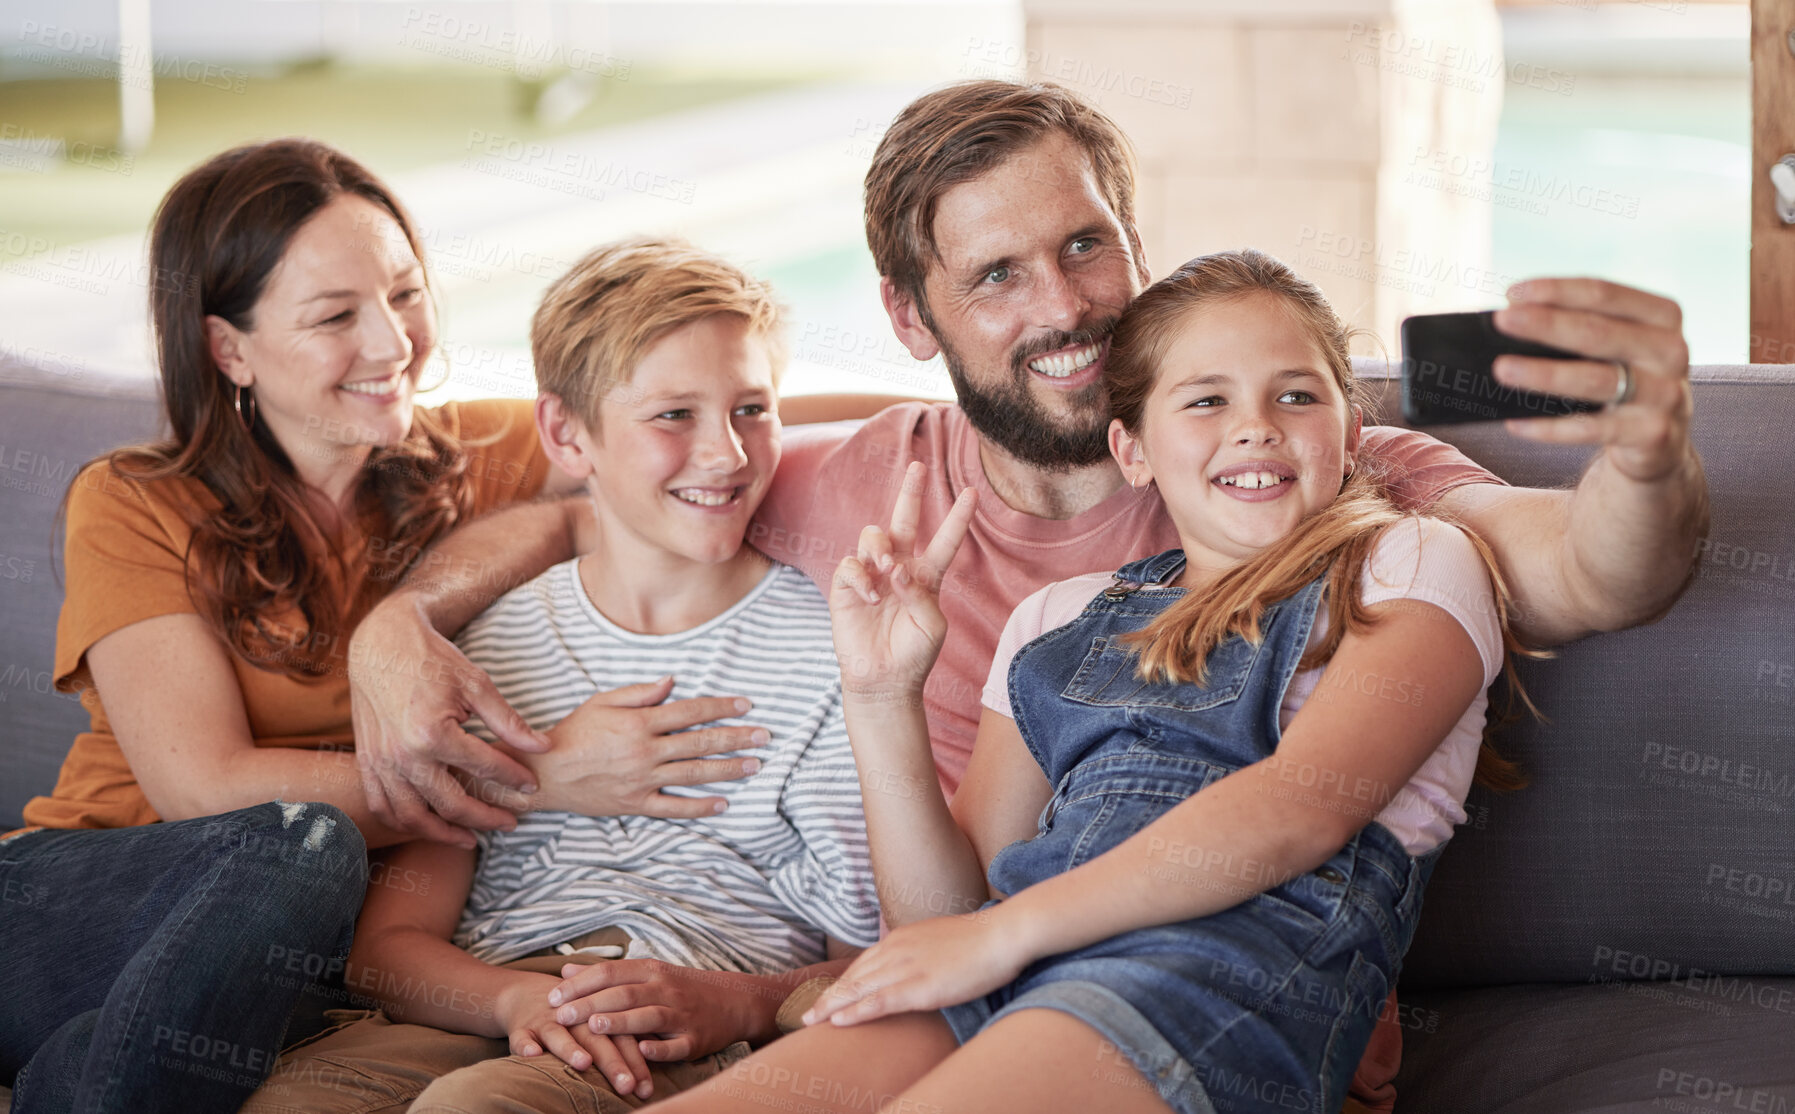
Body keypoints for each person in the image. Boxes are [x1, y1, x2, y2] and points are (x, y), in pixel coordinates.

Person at [346, 80, 1707, 1106]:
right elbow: (589, 493)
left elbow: (1595, 565)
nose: (1061, 306)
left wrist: (1645, 457)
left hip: (1181, 995)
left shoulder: (1334, 484)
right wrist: (395, 628)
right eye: (993, 273)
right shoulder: (847, 483)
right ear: (906, 315)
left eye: (1082, 246)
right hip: (947, 973)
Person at [0, 139, 881, 1113]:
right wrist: (541, 778)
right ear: (229, 348)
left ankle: (85, 1070)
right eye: (337, 316)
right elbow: (205, 787)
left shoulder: (462, 459)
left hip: (294, 966)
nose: (393, 345)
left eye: (406, 294)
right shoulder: (134, 500)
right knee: (308, 847)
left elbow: (663, 427)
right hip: (83, 898)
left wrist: (401, 615)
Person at [656, 248, 1524, 1114]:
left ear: (1351, 431)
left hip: (1207, 986)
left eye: (1296, 395)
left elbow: (1299, 810)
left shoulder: (1408, 560)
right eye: (1206, 399)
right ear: (1132, 448)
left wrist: (1002, 934)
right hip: (1019, 960)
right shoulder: (1058, 620)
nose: (1257, 425)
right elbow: (941, 920)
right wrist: (881, 696)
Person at [241, 238, 881, 1114]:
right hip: (483, 995)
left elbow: (885, 950)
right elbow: (388, 945)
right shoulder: (489, 650)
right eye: (672, 416)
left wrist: (738, 1004)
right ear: (565, 435)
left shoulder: (828, 649)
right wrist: (509, 999)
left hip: (672, 1003)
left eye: (752, 408)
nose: (726, 453)